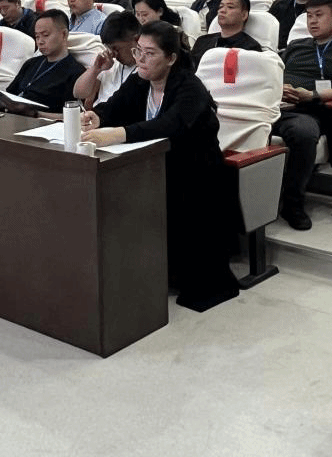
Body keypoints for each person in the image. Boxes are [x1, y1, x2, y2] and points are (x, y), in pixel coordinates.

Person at [82, 21, 239, 311]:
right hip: (154, 166)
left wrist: (118, 133)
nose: (140, 59)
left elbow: (169, 126)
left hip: (195, 176)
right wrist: (98, 118)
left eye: (150, 53)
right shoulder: (140, 79)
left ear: (171, 58)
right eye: (138, 51)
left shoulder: (190, 87)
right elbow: (114, 106)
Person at [273, 0, 332, 228]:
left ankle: (293, 203)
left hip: (309, 110)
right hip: (276, 104)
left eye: (319, 15)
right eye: (309, 16)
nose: (312, 21)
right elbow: (275, 74)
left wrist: (313, 95)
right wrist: (277, 87)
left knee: (303, 133)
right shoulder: (296, 46)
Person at [0, 10, 84, 117]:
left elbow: (73, 116)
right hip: (11, 118)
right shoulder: (31, 63)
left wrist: (35, 114)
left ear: (64, 34)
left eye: (45, 35)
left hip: (43, 124)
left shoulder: (75, 72)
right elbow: (8, 97)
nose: (40, 41)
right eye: (37, 36)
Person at [72, 10, 139, 107]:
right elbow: (78, 94)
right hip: (97, 113)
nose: (113, 54)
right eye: (110, 49)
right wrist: (95, 69)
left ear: (136, 40)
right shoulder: (110, 64)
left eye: (116, 49)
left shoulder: (144, 71)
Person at [191, 0, 262, 66]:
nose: (222, 10)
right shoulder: (202, 41)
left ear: (244, 15)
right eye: (220, 7)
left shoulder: (251, 48)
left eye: (230, 7)